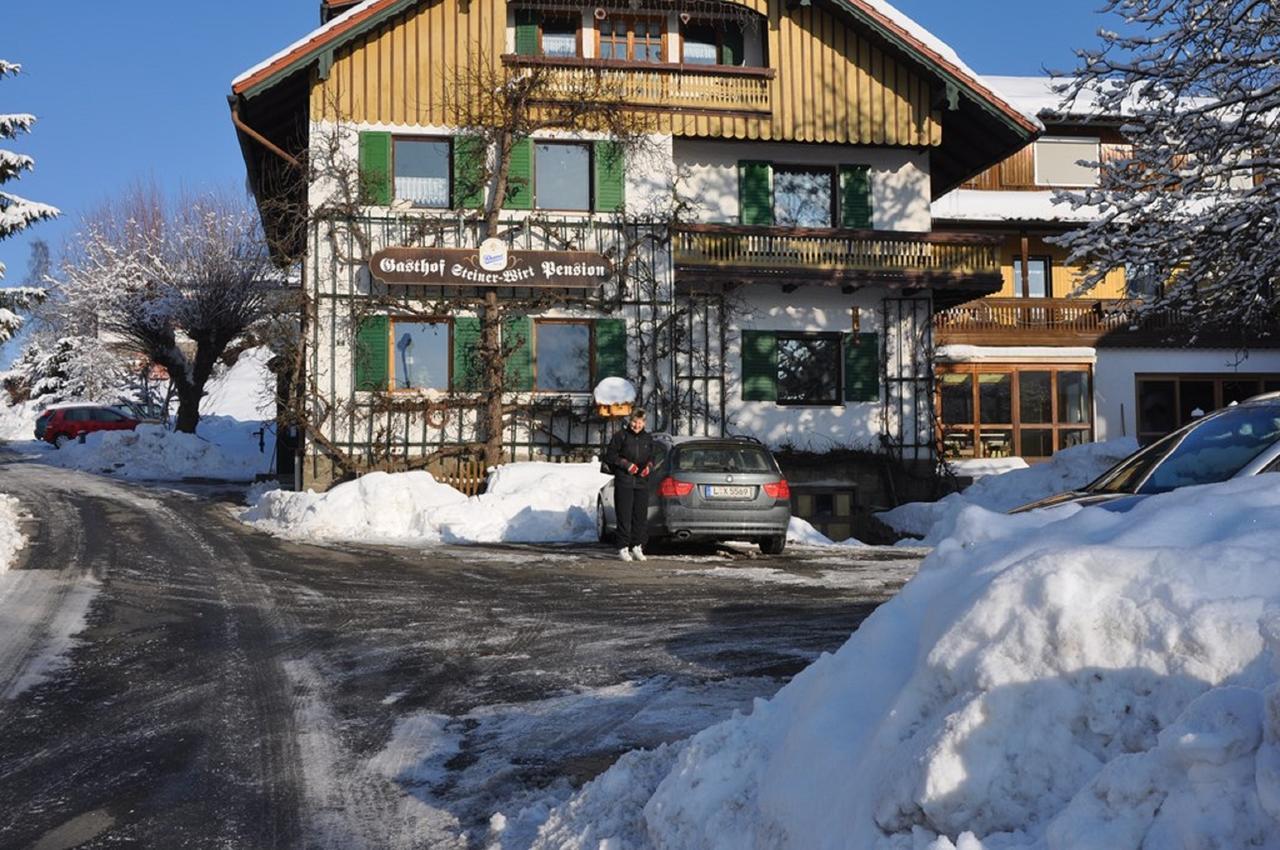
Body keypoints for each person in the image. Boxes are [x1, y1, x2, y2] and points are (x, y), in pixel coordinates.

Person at [604, 408, 654, 561]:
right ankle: (623, 547)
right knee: (624, 515)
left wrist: (648, 468)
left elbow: (652, 457)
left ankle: (637, 546)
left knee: (640, 517)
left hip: (641, 482)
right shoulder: (620, 436)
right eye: (634, 422)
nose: (636, 425)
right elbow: (611, 456)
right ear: (629, 421)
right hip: (624, 480)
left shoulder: (648, 438)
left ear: (644, 423)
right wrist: (626, 465)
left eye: (640, 422)